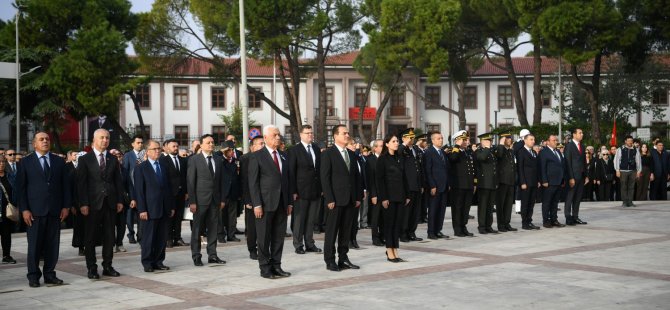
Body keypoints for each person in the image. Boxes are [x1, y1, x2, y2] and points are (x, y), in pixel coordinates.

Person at [15, 133, 72, 287]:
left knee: (52, 245)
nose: (45, 141)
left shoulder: (59, 161)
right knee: (34, 246)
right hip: (34, 212)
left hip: (54, 211)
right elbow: (21, 189)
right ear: (34, 144)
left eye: (47, 139)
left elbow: (65, 186)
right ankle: (33, 276)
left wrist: (66, 206)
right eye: (41, 139)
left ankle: (49, 274)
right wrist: (25, 210)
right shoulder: (25, 162)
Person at [77, 129, 124, 279]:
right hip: (92, 204)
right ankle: (91, 267)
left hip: (110, 203)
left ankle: (108, 266)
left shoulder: (112, 158)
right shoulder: (85, 159)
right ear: (94, 139)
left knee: (110, 236)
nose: (105, 140)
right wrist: (83, 203)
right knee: (90, 237)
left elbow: (118, 182)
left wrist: (119, 200)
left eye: (107, 138)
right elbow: (81, 184)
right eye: (102, 138)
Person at [248, 125, 293, 279]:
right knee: (264, 237)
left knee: (278, 237)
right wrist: (257, 204)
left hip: (281, 203)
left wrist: (289, 203)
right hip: (265, 204)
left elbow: (287, 180)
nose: (278, 137)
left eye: (279, 135)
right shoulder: (257, 156)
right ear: (266, 138)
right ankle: (265, 268)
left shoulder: (283, 156)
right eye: (275, 135)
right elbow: (253, 183)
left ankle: (277, 265)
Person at [320, 124, 364, 272]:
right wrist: (329, 198)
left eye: (348, 133)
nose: (347, 135)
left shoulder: (351, 154)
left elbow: (356, 178)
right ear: (335, 136)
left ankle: (343, 258)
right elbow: (324, 178)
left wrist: (357, 196)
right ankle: (330, 260)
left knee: (346, 231)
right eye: (344, 133)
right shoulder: (328, 154)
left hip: (350, 200)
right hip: (335, 200)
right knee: (332, 232)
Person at [134, 140, 175, 272]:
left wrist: (171, 206)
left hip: (164, 208)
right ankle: (147, 263)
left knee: (161, 237)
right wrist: (142, 209)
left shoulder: (163, 166)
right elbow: (139, 191)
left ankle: (159, 261)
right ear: (147, 151)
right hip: (149, 209)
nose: (158, 151)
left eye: (159, 149)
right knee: (148, 238)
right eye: (154, 149)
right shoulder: (141, 168)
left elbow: (168, 188)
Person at [187, 134, 227, 266]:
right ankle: (196, 256)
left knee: (213, 228)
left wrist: (222, 199)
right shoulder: (194, 160)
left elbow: (221, 181)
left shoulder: (218, 159)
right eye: (208, 142)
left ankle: (213, 255)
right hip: (199, 201)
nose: (211, 144)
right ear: (202, 145)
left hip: (215, 201)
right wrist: (192, 201)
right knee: (197, 229)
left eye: (213, 142)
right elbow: (191, 182)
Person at [288, 125, 323, 255]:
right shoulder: (294, 150)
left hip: (315, 190)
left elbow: (318, 170)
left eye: (311, 133)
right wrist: (293, 191)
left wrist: (321, 188)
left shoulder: (316, 148)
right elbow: (291, 172)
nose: (310, 135)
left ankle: (310, 243)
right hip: (300, 191)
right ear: (301, 135)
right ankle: (298, 244)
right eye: (307, 133)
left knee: (311, 219)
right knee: (299, 219)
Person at [376, 134, 410, 262]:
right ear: (387, 144)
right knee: (389, 224)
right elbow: (379, 180)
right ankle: (389, 249)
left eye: (397, 141)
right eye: (394, 141)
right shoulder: (382, 159)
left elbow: (404, 177)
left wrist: (407, 195)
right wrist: (383, 198)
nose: (396, 143)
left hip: (400, 196)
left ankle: (395, 249)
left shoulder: (399, 157)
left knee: (397, 224)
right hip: (389, 197)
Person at [159, 139, 189, 247]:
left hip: (181, 194)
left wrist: (186, 191)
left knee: (178, 217)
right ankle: (168, 238)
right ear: (167, 148)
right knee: (169, 216)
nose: (176, 148)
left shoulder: (183, 160)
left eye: (177, 146)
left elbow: (185, 177)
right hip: (169, 194)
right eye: (173, 146)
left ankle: (177, 237)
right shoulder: (163, 160)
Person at [398, 128, 424, 242]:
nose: (411, 140)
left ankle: (412, 232)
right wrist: (404, 143)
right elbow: (398, 152)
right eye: (409, 137)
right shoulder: (402, 149)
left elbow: (419, 168)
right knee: (406, 212)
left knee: (415, 211)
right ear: (403, 138)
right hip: (407, 185)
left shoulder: (415, 149)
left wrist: (421, 184)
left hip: (417, 185)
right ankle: (403, 233)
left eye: (412, 138)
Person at [448, 130, 475, 237]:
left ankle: (463, 227)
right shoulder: (453, 151)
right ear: (458, 140)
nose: (467, 141)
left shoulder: (467, 152)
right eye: (464, 140)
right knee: (458, 208)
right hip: (458, 185)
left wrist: (474, 183)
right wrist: (457, 146)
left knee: (465, 208)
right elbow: (453, 159)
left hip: (468, 185)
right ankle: (457, 229)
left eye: (467, 139)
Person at [241, 136, 264, 260]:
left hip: (265, 197)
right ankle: (252, 249)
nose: (262, 146)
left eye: (263, 143)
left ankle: (262, 248)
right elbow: (245, 181)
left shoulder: (266, 157)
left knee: (263, 227)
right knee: (252, 227)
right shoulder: (246, 159)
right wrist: (248, 200)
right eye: (260, 144)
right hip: (251, 199)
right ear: (252, 147)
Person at [423, 131, 449, 240]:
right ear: (433, 140)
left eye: (442, 138)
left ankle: (438, 230)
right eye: (438, 138)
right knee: (433, 210)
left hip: (444, 186)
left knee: (441, 210)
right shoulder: (429, 152)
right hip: (435, 186)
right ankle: (431, 232)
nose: (441, 140)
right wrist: (432, 185)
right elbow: (428, 170)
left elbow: (445, 169)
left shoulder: (442, 152)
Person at [539, 135, 566, 228]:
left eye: (556, 140)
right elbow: (542, 168)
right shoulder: (543, 152)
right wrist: (544, 180)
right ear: (548, 142)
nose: (556, 142)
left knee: (555, 202)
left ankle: (554, 219)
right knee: (547, 202)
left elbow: (562, 166)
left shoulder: (558, 151)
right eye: (554, 140)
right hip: (549, 182)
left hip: (558, 181)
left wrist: (563, 179)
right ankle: (546, 220)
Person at [475, 133, 498, 234]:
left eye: (491, 141)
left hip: (492, 183)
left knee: (490, 207)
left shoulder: (491, 152)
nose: (490, 143)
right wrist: (487, 148)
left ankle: (489, 225)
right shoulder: (478, 152)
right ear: (482, 142)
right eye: (488, 141)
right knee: (483, 206)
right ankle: (482, 226)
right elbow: (482, 158)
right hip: (483, 183)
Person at [564, 128, 588, 225]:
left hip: (581, 176)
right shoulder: (569, 146)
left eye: (582, 133)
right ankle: (568, 217)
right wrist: (571, 177)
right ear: (574, 134)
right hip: (573, 176)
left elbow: (584, 162)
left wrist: (586, 175)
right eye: (580, 133)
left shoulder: (582, 146)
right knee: (570, 197)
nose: (582, 134)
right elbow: (568, 162)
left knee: (578, 198)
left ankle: (575, 216)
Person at [123, 135, 145, 244]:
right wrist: (127, 191)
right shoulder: (128, 156)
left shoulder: (145, 155)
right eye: (138, 143)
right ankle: (130, 234)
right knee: (130, 215)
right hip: (131, 190)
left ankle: (140, 235)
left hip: (142, 190)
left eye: (141, 143)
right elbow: (125, 173)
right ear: (133, 144)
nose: (140, 144)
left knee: (141, 213)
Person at [494, 132, 517, 232]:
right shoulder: (499, 149)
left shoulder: (511, 151)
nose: (510, 140)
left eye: (510, 138)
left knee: (508, 204)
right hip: (502, 181)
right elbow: (499, 155)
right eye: (507, 138)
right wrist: (501, 144)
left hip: (511, 181)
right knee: (501, 204)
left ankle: (507, 223)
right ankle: (501, 225)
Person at [517, 134, 540, 230]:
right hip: (526, 182)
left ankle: (529, 220)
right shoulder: (521, 152)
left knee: (531, 203)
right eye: (531, 139)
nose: (533, 141)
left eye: (534, 139)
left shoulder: (534, 152)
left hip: (534, 181)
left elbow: (536, 167)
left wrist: (538, 180)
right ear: (525, 140)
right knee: (525, 203)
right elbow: (520, 168)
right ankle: (524, 223)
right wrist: (522, 182)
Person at [614, 136, 642, 207]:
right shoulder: (620, 149)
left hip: (633, 171)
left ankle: (630, 202)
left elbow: (638, 161)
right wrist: (617, 170)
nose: (630, 142)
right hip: (623, 171)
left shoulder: (636, 150)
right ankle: (624, 202)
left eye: (631, 141)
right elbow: (617, 160)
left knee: (631, 187)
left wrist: (639, 171)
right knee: (623, 187)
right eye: (629, 140)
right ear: (625, 141)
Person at [366, 139, 384, 246]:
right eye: (380, 146)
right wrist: (373, 194)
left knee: (383, 217)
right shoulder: (370, 160)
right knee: (375, 217)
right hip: (376, 193)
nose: (382, 148)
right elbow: (370, 179)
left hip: (385, 193)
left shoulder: (385, 158)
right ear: (375, 148)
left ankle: (383, 236)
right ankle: (375, 238)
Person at [0, 154, 17, 264]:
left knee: (6, 235)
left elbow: (15, 192)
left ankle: (7, 255)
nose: (1, 164)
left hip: (7, 212)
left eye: (3, 162)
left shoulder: (10, 176)